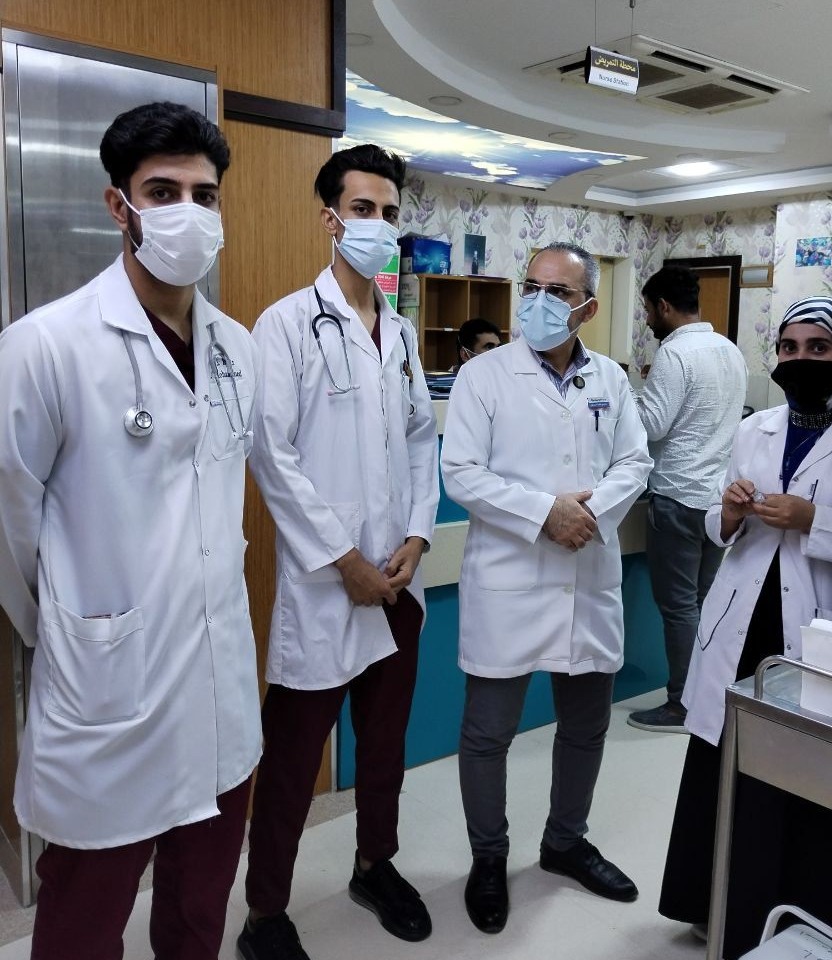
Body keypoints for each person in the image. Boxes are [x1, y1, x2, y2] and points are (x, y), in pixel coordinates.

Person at [0, 101, 260, 960]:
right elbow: (9, 530)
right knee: (83, 922)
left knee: (199, 909)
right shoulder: (45, 346)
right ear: (121, 206)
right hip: (108, 689)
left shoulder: (237, 350)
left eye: (204, 195)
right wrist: (79, 628)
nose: (188, 211)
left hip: (217, 685)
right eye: (163, 191)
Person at [658, 296, 832, 958]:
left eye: (818, 347)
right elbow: (719, 525)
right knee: (723, 768)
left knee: (800, 784)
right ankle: (712, 906)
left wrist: (817, 521)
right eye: (788, 347)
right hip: (739, 624)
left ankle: (793, 925)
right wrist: (726, 513)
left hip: (812, 633)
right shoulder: (756, 429)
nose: (800, 359)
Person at [237, 144, 439, 960]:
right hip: (327, 587)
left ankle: (373, 865)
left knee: (384, 748)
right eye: (363, 210)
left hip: (395, 581)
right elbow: (271, 454)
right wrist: (342, 559)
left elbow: (421, 439)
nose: (378, 225)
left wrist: (417, 537)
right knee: (292, 762)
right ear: (330, 218)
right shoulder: (286, 324)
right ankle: (264, 913)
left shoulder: (402, 334)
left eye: (389, 212)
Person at [441, 241, 652, 935]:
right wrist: (544, 514)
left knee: (587, 724)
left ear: (588, 306)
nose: (538, 301)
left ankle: (565, 842)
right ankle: (489, 857)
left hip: (587, 575)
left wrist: (587, 515)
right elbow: (461, 472)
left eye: (557, 292)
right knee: (488, 733)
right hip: (510, 577)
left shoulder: (610, 378)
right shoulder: (484, 376)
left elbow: (635, 462)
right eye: (530, 286)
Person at [627, 266, 747, 732]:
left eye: (647, 311)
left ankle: (681, 704)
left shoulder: (675, 354)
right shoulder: (729, 350)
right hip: (717, 502)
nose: (647, 321)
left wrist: (627, 394)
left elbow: (652, 426)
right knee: (701, 603)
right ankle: (706, 696)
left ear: (663, 306)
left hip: (678, 496)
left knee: (679, 607)